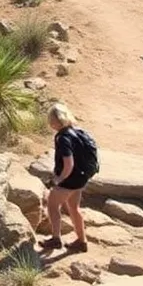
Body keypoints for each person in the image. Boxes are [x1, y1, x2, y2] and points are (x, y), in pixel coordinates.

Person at [40, 103, 96, 254]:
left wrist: (58, 180)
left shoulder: (63, 138)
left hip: (69, 180)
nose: (50, 123)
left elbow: (68, 164)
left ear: (57, 120)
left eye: (51, 120)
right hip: (81, 178)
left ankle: (56, 239)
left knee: (52, 205)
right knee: (74, 208)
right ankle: (81, 241)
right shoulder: (78, 132)